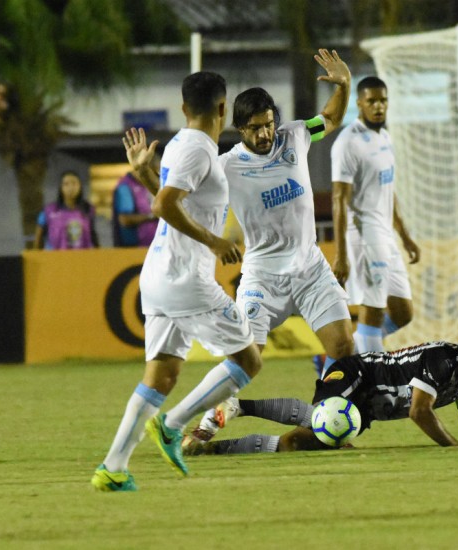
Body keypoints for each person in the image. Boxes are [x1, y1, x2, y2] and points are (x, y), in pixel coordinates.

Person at [131, 49, 355, 378]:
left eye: (269, 124)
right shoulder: (225, 165)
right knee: (245, 363)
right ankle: (207, 424)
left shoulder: (295, 135)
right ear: (238, 128)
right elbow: (177, 203)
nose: (265, 133)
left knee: (344, 349)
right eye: (255, 128)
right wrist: (145, 176)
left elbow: (331, 118)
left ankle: (324, 421)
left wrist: (344, 85)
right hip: (262, 277)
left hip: (310, 268)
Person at [90, 71, 263, 492]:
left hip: (160, 277)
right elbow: (166, 205)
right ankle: (172, 425)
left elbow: (166, 198)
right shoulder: (200, 150)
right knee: (249, 360)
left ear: (184, 108)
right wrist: (216, 241)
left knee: (161, 375)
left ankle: (113, 468)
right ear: (223, 108)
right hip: (188, 280)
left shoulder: (180, 147)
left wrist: (143, 173)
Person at [184, 319, 458, 455]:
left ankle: (215, 446)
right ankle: (238, 407)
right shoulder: (444, 359)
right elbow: (419, 411)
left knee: (295, 445)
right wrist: (453, 449)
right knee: (335, 422)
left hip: (365, 408)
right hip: (356, 375)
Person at [329, 76, 420, 355]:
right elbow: (339, 199)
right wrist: (340, 254)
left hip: (386, 235)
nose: (378, 106)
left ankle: (342, 358)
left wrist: (404, 236)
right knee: (373, 313)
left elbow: (387, 190)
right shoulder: (348, 143)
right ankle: (375, 386)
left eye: (383, 100)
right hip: (364, 235)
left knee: (403, 313)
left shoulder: (384, 136)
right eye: (372, 101)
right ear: (359, 104)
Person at [33, 171, 99, 249]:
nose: (71, 187)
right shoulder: (49, 210)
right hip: (54, 258)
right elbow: (38, 235)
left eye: (74, 183)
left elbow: (93, 236)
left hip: (82, 258)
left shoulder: (88, 209)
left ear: (80, 187)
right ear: (61, 188)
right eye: (66, 184)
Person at [111, 170, 158, 247]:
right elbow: (125, 219)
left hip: (153, 245)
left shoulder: (148, 184)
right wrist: (153, 216)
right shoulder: (125, 186)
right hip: (135, 247)